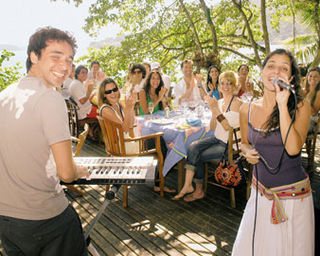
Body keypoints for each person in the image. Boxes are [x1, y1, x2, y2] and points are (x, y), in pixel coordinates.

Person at [0, 27, 88, 255]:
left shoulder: (5, 95)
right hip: (45, 218)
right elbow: (66, 174)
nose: (65, 67)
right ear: (33, 56)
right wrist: (79, 169)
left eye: (69, 60)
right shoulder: (50, 98)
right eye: (55, 56)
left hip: (7, 220)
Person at [232, 49, 314, 256]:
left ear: (291, 78)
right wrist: (245, 150)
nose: (276, 70)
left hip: (293, 200)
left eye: (283, 68)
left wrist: (282, 105)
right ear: (262, 72)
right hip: (259, 196)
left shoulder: (301, 107)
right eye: (271, 65)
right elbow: (243, 142)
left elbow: (293, 148)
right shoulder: (246, 109)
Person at [172, 71, 242, 202]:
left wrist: (215, 109)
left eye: (229, 83)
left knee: (196, 155)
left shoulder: (238, 103)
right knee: (193, 147)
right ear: (219, 86)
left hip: (229, 145)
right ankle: (188, 185)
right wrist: (213, 110)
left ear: (234, 86)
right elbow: (214, 127)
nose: (225, 86)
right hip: (217, 138)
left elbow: (227, 127)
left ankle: (197, 190)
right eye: (223, 83)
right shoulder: (220, 102)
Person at [304, 67, 320, 133]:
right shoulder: (304, 91)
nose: (312, 78)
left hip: (311, 121)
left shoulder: (319, 93)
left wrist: (303, 101)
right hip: (301, 117)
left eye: (316, 76)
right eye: (310, 76)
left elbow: (313, 112)